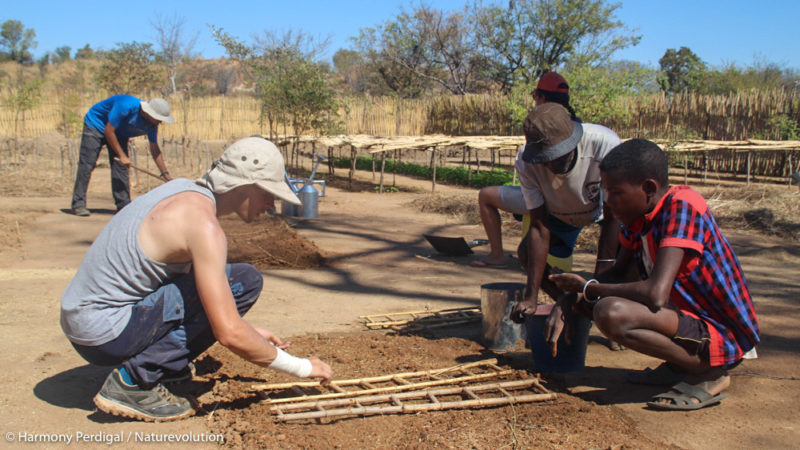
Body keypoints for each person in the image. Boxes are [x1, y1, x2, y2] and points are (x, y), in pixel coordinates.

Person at [60, 136, 332, 422]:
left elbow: (197, 294)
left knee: (237, 279)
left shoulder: (181, 190)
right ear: (245, 186)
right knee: (244, 281)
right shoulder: (203, 226)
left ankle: (165, 367)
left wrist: (247, 327)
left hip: (85, 324)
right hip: (105, 334)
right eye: (268, 193)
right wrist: (302, 367)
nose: (271, 205)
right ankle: (133, 382)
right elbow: (229, 334)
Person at [546, 139, 759, 411]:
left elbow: (655, 294)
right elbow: (618, 275)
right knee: (595, 301)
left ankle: (710, 372)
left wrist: (588, 287)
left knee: (611, 312)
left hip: (722, 333)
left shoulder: (683, 206)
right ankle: (680, 364)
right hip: (688, 320)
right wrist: (572, 297)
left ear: (648, 188)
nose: (608, 202)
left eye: (616, 192)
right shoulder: (639, 219)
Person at [508, 103, 622, 335]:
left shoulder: (604, 144)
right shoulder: (525, 161)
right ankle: (575, 307)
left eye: (557, 157)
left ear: (574, 142)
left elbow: (613, 219)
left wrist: (596, 288)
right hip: (559, 214)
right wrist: (531, 297)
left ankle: (607, 313)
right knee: (526, 253)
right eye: (544, 159)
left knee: (627, 264)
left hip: (604, 212)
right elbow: (539, 227)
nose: (550, 164)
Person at [473, 71, 578, 269]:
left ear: (542, 98)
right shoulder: (574, 125)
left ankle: (497, 255)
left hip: (549, 201)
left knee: (485, 195)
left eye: (536, 96)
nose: (535, 101)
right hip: (575, 200)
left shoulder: (542, 124)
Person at [70, 95, 174, 216]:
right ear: (148, 113)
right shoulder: (126, 106)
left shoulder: (152, 125)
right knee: (87, 164)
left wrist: (165, 174)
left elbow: (154, 148)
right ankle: (78, 203)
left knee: (120, 168)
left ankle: (123, 205)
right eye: (158, 118)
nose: (160, 122)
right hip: (96, 125)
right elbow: (108, 131)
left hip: (119, 133)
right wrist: (122, 155)